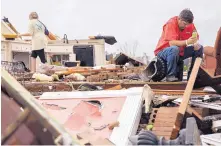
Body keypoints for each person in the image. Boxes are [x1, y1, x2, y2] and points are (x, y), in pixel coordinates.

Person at [154, 9, 203, 82]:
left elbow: (195, 37)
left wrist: (195, 43)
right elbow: (171, 43)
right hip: (164, 51)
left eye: (188, 25)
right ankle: (170, 76)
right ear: (179, 19)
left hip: (180, 52)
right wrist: (187, 42)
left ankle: (190, 75)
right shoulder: (171, 23)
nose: (186, 26)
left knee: (199, 48)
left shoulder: (190, 25)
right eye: (184, 24)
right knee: (174, 49)